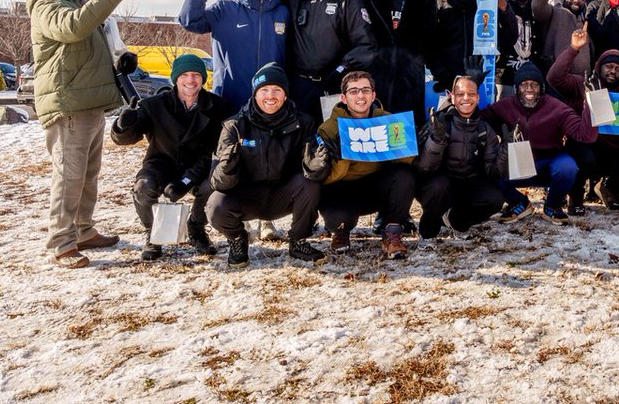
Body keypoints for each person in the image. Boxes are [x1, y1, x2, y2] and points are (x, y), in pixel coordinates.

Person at [27, 0, 135, 268]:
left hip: (90, 101)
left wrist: (121, 57)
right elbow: (73, 28)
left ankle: (83, 229)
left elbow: (94, 37)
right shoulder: (46, 1)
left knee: (88, 174)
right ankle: (61, 242)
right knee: (69, 175)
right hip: (68, 102)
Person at [206, 63, 329, 267]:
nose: (270, 95)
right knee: (215, 205)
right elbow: (217, 182)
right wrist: (226, 169)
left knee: (310, 185)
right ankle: (238, 240)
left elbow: (313, 166)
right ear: (255, 94)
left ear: (285, 95)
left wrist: (316, 165)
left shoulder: (303, 122)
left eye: (276, 90)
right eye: (264, 90)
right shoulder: (234, 126)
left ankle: (298, 241)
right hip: (247, 195)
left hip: (284, 193)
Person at [110, 54, 231, 260]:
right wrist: (123, 126)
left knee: (213, 183)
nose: (190, 81)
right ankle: (153, 234)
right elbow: (127, 138)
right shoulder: (154, 105)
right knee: (143, 187)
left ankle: (196, 227)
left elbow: (215, 150)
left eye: (196, 75)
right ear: (175, 78)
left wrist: (186, 181)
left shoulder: (218, 107)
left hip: (198, 166)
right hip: (161, 162)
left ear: (203, 78)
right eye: (184, 75)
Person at [312, 70, 417, 258]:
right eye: (353, 91)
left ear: (373, 95)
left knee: (404, 175)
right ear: (344, 98)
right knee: (339, 217)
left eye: (365, 90)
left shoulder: (387, 120)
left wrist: (419, 143)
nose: (360, 96)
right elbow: (324, 178)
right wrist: (342, 159)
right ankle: (340, 232)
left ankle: (392, 233)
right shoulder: (328, 128)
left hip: (375, 187)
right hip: (342, 189)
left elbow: (409, 161)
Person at [279, 0, 378, 126]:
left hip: (330, 86)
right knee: (296, 138)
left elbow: (367, 47)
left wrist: (341, 70)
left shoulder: (349, 3)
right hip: (296, 85)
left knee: (329, 139)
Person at [484, 62, 598, 224]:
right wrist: (475, 86)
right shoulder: (504, 106)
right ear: (516, 88)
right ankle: (519, 202)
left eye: (534, 84)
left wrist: (591, 102)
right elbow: (477, 121)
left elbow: (586, 135)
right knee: (488, 170)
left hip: (549, 164)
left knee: (568, 167)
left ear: (542, 88)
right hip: (517, 165)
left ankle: (552, 205)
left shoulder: (557, 108)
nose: (529, 88)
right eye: (524, 84)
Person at [548, 29, 619, 211]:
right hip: (582, 145)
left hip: (610, 151)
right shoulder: (581, 83)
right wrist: (573, 49)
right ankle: (575, 195)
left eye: (618, 69)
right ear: (599, 67)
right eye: (609, 67)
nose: (613, 71)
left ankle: (611, 187)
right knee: (584, 155)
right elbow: (554, 77)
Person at [178, 0, 289, 112]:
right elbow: (189, 21)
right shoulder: (225, 9)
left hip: (269, 101)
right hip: (229, 98)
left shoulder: (283, 13)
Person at [416, 74, 507, 239]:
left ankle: (456, 221)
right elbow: (425, 167)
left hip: (469, 184)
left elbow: (493, 172)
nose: (466, 98)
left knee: (495, 198)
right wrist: (437, 140)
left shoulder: (484, 129)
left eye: (471, 94)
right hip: (440, 187)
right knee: (438, 185)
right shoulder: (439, 122)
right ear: (452, 97)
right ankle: (428, 233)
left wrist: (505, 151)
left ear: (478, 98)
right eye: (460, 94)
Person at [361, 0, 438, 124]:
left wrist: (437, 70)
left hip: (409, 82)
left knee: (404, 140)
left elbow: (431, 41)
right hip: (375, 79)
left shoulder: (426, 1)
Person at [432, 0, 517, 92]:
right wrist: (443, 75)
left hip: (481, 79)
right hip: (447, 81)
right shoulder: (440, 5)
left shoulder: (486, 3)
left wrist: (505, 10)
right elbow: (431, 47)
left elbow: (510, 38)